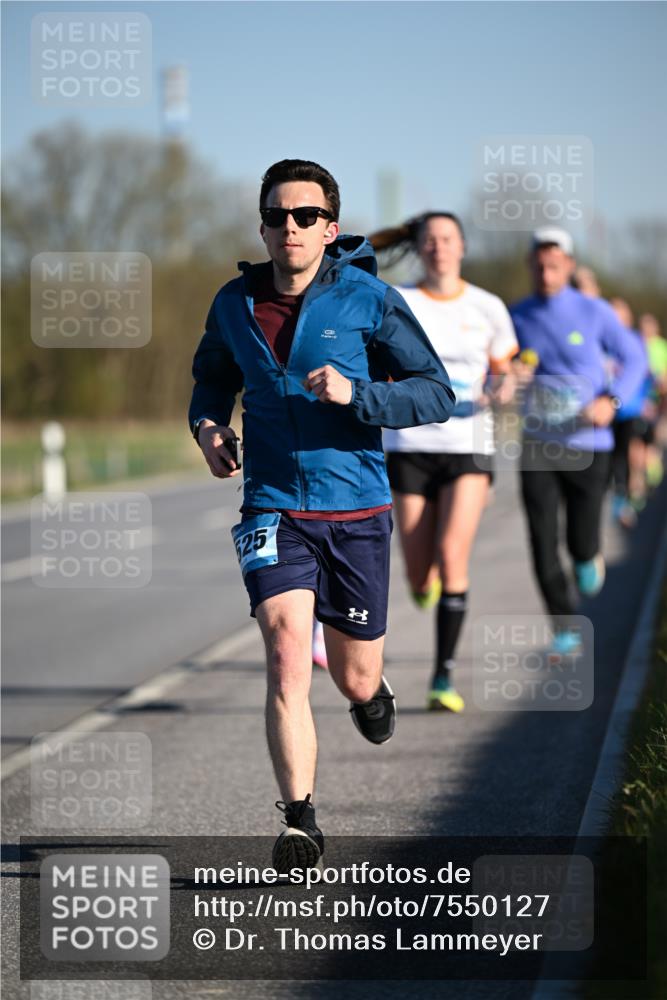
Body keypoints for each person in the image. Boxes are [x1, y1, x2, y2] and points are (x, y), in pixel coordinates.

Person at [189, 160, 454, 871]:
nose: (289, 229)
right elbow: (211, 377)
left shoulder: (368, 298)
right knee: (283, 655)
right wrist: (208, 427)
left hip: (356, 509)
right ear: (262, 227)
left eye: (304, 216)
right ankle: (300, 822)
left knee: (354, 678)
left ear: (329, 228)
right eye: (277, 216)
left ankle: (371, 690)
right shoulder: (233, 303)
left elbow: (435, 394)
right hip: (273, 506)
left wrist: (356, 397)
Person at [368, 212, 518, 712]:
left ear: (462, 246)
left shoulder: (488, 307)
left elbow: (505, 369)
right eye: (429, 240)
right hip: (410, 446)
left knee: (454, 556)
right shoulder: (399, 301)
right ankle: (424, 586)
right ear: (418, 248)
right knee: (418, 575)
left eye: (448, 238)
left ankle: (443, 678)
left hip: (468, 445)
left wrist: (505, 385)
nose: (439, 247)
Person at [510, 228, 647, 653]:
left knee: (580, 542)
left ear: (568, 266)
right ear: (530, 266)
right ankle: (564, 626)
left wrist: (613, 399)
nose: (546, 273)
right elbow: (500, 361)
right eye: (539, 265)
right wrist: (511, 372)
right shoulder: (518, 314)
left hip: (589, 444)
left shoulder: (595, 311)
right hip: (537, 443)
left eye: (554, 266)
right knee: (541, 538)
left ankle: (589, 555)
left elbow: (636, 357)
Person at [608, 298, 652, 527]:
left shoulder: (635, 341)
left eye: (619, 315)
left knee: (629, 454)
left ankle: (628, 496)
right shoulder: (602, 339)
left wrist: (649, 399)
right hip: (607, 411)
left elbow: (644, 373)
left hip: (631, 409)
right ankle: (620, 494)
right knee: (612, 456)